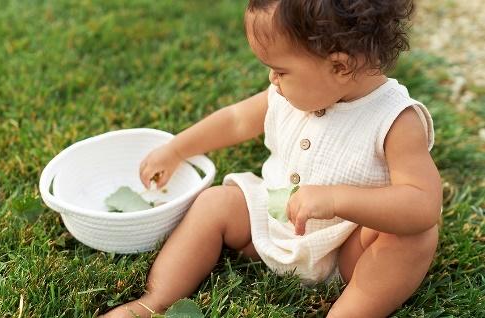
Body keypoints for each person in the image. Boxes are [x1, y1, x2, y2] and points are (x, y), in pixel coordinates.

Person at [104, 0, 442, 317]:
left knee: (413, 237)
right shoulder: (287, 94)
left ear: (339, 65)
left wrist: (338, 199)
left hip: (347, 252)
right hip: (275, 222)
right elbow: (237, 119)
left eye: (280, 70)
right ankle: (153, 302)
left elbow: (422, 204)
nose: (272, 79)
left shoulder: (395, 120)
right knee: (215, 202)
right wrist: (178, 148)